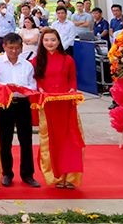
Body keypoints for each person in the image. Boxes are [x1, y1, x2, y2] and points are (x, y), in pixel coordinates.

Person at [32, 28, 85, 189]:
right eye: (46, 40)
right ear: (42, 42)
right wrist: (40, 89)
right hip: (48, 106)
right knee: (51, 140)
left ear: (58, 41)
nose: (50, 43)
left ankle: (71, 177)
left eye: (53, 40)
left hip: (66, 105)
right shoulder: (37, 61)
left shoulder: (68, 59)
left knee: (70, 139)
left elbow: (72, 79)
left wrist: (72, 90)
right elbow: (36, 81)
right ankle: (56, 176)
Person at [0, 33, 39, 188]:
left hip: (22, 103)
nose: (14, 51)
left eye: (17, 48)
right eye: (10, 48)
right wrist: (6, 87)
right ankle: (7, 173)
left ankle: (27, 174)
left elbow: (33, 85)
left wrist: (21, 88)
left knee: (26, 140)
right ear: (4, 46)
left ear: (21, 48)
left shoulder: (27, 65)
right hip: (4, 104)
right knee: (5, 140)